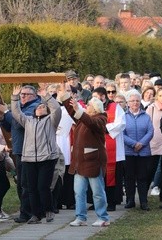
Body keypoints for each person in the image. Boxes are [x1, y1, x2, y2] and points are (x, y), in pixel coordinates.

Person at [11, 85, 62, 224]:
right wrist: (15, 98)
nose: (40, 108)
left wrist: (46, 96)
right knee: (31, 188)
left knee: (43, 187)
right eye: (38, 107)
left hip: (47, 158)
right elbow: (16, 113)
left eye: (43, 107)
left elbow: (56, 109)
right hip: (29, 159)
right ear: (34, 110)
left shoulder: (51, 121)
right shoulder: (28, 120)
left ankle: (49, 210)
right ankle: (35, 215)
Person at [60, 90, 110, 227]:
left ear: (95, 109)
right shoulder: (83, 118)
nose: (86, 107)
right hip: (80, 163)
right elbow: (72, 112)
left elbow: (91, 122)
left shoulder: (101, 118)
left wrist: (79, 110)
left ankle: (103, 217)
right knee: (79, 192)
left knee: (98, 193)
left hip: (93, 162)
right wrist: (65, 97)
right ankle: (80, 217)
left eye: (89, 106)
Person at [0, 85, 41, 223]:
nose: (22, 96)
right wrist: (2, 117)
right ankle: (26, 210)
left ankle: (28, 212)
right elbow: (9, 126)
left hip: (28, 150)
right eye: (21, 94)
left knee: (27, 183)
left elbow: (19, 123)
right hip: (19, 149)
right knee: (21, 183)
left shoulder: (35, 107)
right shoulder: (20, 107)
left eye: (25, 94)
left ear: (34, 96)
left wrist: (7, 112)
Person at [92, 87, 126, 211]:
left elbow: (121, 123)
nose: (94, 99)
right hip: (95, 148)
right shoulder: (92, 109)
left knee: (110, 177)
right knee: (96, 176)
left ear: (103, 97)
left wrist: (105, 128)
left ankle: (111, 202)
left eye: (96, 97)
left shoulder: (115, 107)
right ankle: (97, 202)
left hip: (112, 148)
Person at [123, 93, 154, 211]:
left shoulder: (146, 116)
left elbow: (150, 132)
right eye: (132, 101)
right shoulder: (123, 116)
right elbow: (122, 133)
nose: (135, 103)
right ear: (128, 103)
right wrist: (133, 144)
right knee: (129, 177)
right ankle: (130, 200)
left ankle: (143, 201)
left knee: (142, 177)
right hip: (129, 152)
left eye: (137, 101)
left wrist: (141, 143)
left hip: (143, 152)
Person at [147, 87, 162, 200]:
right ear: (157, 96)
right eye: (160, 95)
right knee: (151, 168)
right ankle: (145, 193)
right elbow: (147, 125)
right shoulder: (151, 108)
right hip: (154, 141)